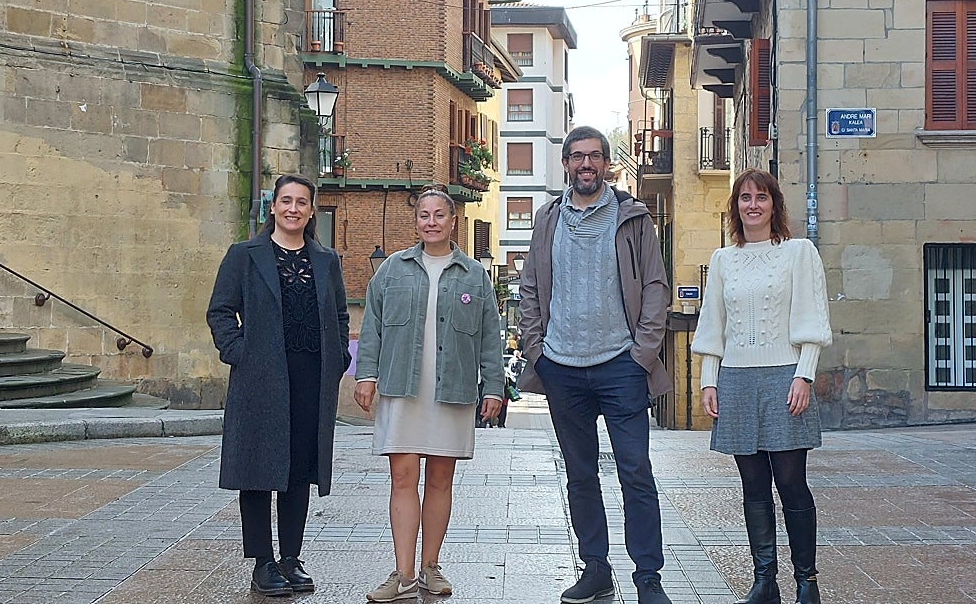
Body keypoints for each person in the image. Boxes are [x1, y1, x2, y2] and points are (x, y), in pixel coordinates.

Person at [517, 125, 673, 604]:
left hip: (622, 366)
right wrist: (538, 350)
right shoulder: (547, 218)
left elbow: (655, 285)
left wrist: (642, 353)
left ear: (606, 164)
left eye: (595, 156)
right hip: (562, 368)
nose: (586, 164)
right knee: (580, 475)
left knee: (635, 472)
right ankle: (596, 569)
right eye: (577, 156)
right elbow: (529, 288)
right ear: (566, 163)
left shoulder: (632, 217)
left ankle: (648, 578)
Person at [355, 185, 503, 602]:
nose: (431, 222)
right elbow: (372, 327)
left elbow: (490, 337)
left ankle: (430, 567)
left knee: (440, 480)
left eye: (440, 215)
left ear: (453, 221)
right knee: (402, 478)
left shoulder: (474, 275)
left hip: (452, 390)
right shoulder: (391, 270)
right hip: (401, 388)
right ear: (416, 221)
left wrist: (494, 386)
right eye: (424, 215)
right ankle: (402, 575)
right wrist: (366, 375)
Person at [691, 168, 833, 604]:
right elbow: (713, 323)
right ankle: (764, 581)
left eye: (761, 197)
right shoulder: (722, 259)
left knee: (791, 483)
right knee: (753, 487)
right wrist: (709, 380)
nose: (752, 205)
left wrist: (804, 374)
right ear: (736, 206)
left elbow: (813, 317)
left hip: (784, 377)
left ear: (774, 205)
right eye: (745, 198)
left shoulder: (798, 252)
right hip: (735, 380)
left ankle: (806, 582)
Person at [206, 173, 351, 597]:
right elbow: (220, 311)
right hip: (260, 379)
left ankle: (290, 558)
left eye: (301, 202)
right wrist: (240, 353)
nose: (293, 209)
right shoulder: (244, 255)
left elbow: (340, 315)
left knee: (298, 469)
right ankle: (263, 562)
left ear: (311, 210)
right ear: (273, 206)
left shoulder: (326, 260)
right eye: (286, 201)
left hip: (310, 379)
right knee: (257, 470)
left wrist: (339, 357)